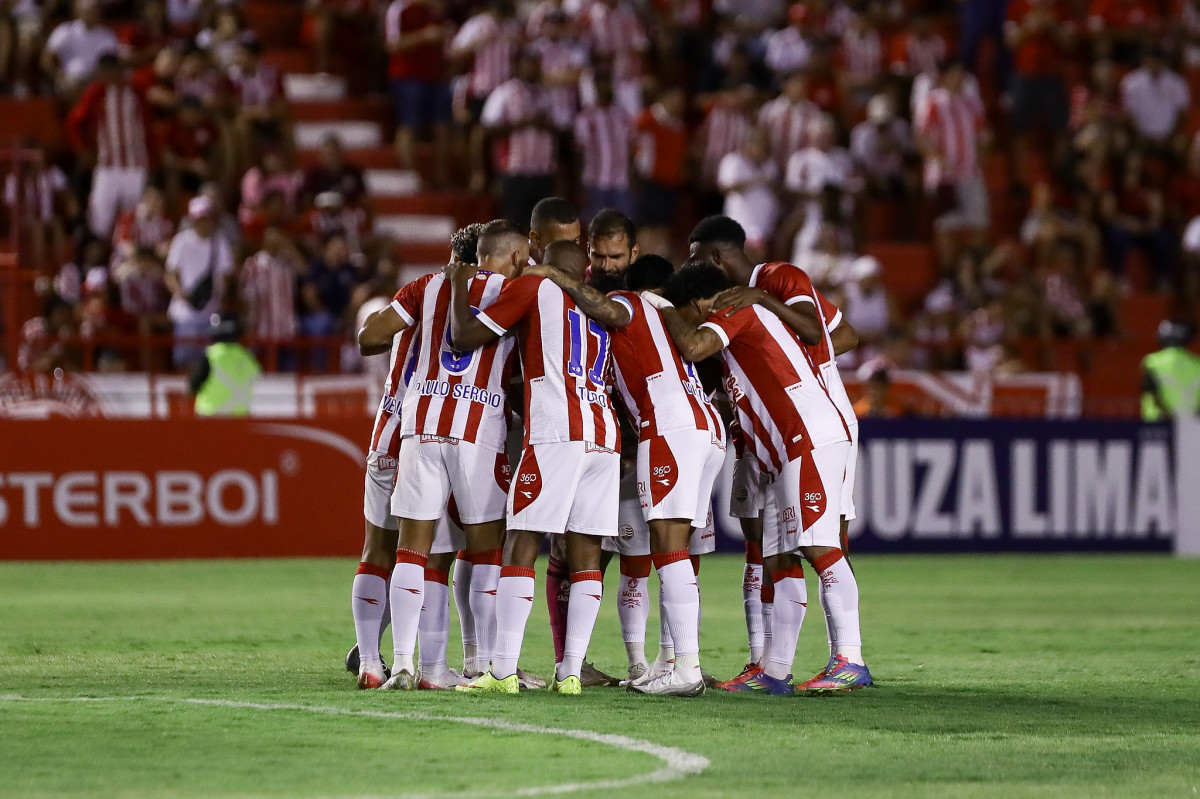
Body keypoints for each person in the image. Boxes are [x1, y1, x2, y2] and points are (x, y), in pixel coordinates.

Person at [659, 257, 871, 695]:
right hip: (778, 454)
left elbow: (694, 346)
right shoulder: (738, 332)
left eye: (684, 313)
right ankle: (774, 672)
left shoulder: (738, 310)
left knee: (820, 548)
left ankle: (851, 659)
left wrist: (659, 307)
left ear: (700, 305)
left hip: (807, 436)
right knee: (778, 561)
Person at [526, 252, 725, 696]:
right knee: (679, 551)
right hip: (705, 429)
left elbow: (609, 308)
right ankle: (669, 661)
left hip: (670, 428)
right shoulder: (666, 322)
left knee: (668, 550)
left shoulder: (635, 305)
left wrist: (554, 274)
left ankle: (687, 670)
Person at [356, 219, 528, 691]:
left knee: (408, 547)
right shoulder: (519, 291)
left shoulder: (426, 287)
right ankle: (488, 664)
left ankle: (399, 663)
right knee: (483, 550)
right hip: (480, 429)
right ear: (509, 254)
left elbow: (369, 337)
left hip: (416, 424)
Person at [450, 240, 621, 696]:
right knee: (585, 555)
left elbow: (464, 338)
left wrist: (456, 284)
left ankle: (502, 670)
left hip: (555, 432)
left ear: (542, 262)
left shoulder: (533, 287)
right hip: (603, 438)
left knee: (521, 541)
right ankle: (569, 673)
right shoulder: (599, 308)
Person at [345, 223, 484, 690]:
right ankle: (432, 667)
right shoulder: (485, 300)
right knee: (434, 558)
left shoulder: (418, 294)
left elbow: (368, 338)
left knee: (376, 550)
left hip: (387, 429)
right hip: (434, 434)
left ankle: (370, 661)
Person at [65, 54, 153, 238]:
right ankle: (99, 256)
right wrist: (81, 149)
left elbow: (148, 124)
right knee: (100, 215)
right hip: (107, 164)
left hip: (136, 164)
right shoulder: (97, 92)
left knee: (134, 215)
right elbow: (75, 121)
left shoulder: (136, 89)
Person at [165, 195, 235, 369]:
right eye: (198, 219)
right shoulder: (182, 241)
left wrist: (218, 294)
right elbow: (170, 273)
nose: (202, 223)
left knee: (211, 362)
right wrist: (179, 292)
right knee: (184, 359)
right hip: (186, 310)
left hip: (211, 310)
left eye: (205, 218)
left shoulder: (220, 242)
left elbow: (225, 276)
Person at [189, 314, 261, 417]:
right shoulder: (248, 357)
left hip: (210, 418)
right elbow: (256, 379)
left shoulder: (211, 356)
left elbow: (193, 386)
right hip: (240, 419)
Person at [1141, 321, 1200, 420]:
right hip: (1192, 424)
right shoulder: (1197, 364)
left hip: (1158, 424)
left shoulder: (1152, 362)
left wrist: (1167, 415)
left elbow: (1149, 390)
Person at [586, 208, 639, 291]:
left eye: (616, 257)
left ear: (634, 254)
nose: (606, 267)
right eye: (599, 256)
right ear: (588, 250)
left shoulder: (646, 291)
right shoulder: (575, 284)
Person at [528, 196, 581, 264]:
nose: (570, 253)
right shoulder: (515, 270)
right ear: (535, 239)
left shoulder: (582, 267)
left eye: (575, 241)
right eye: (561, 245)